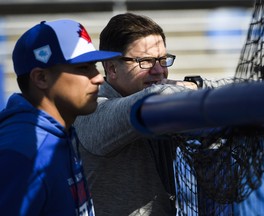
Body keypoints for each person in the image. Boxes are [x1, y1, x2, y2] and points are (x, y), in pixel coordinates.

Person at [74, 13, 200, 216]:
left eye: (163, 60)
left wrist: (196, 85)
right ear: (112, 68)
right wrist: (194, 89)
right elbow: (155, 97)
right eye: (146, 62)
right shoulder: (90, 111)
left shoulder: (164, 95)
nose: (159, 71)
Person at [0, 19, 120, 215]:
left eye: (95, 66)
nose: (98, 77)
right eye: (83, 68)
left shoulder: (60, 131)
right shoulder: (21, 152)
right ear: (41, 78)